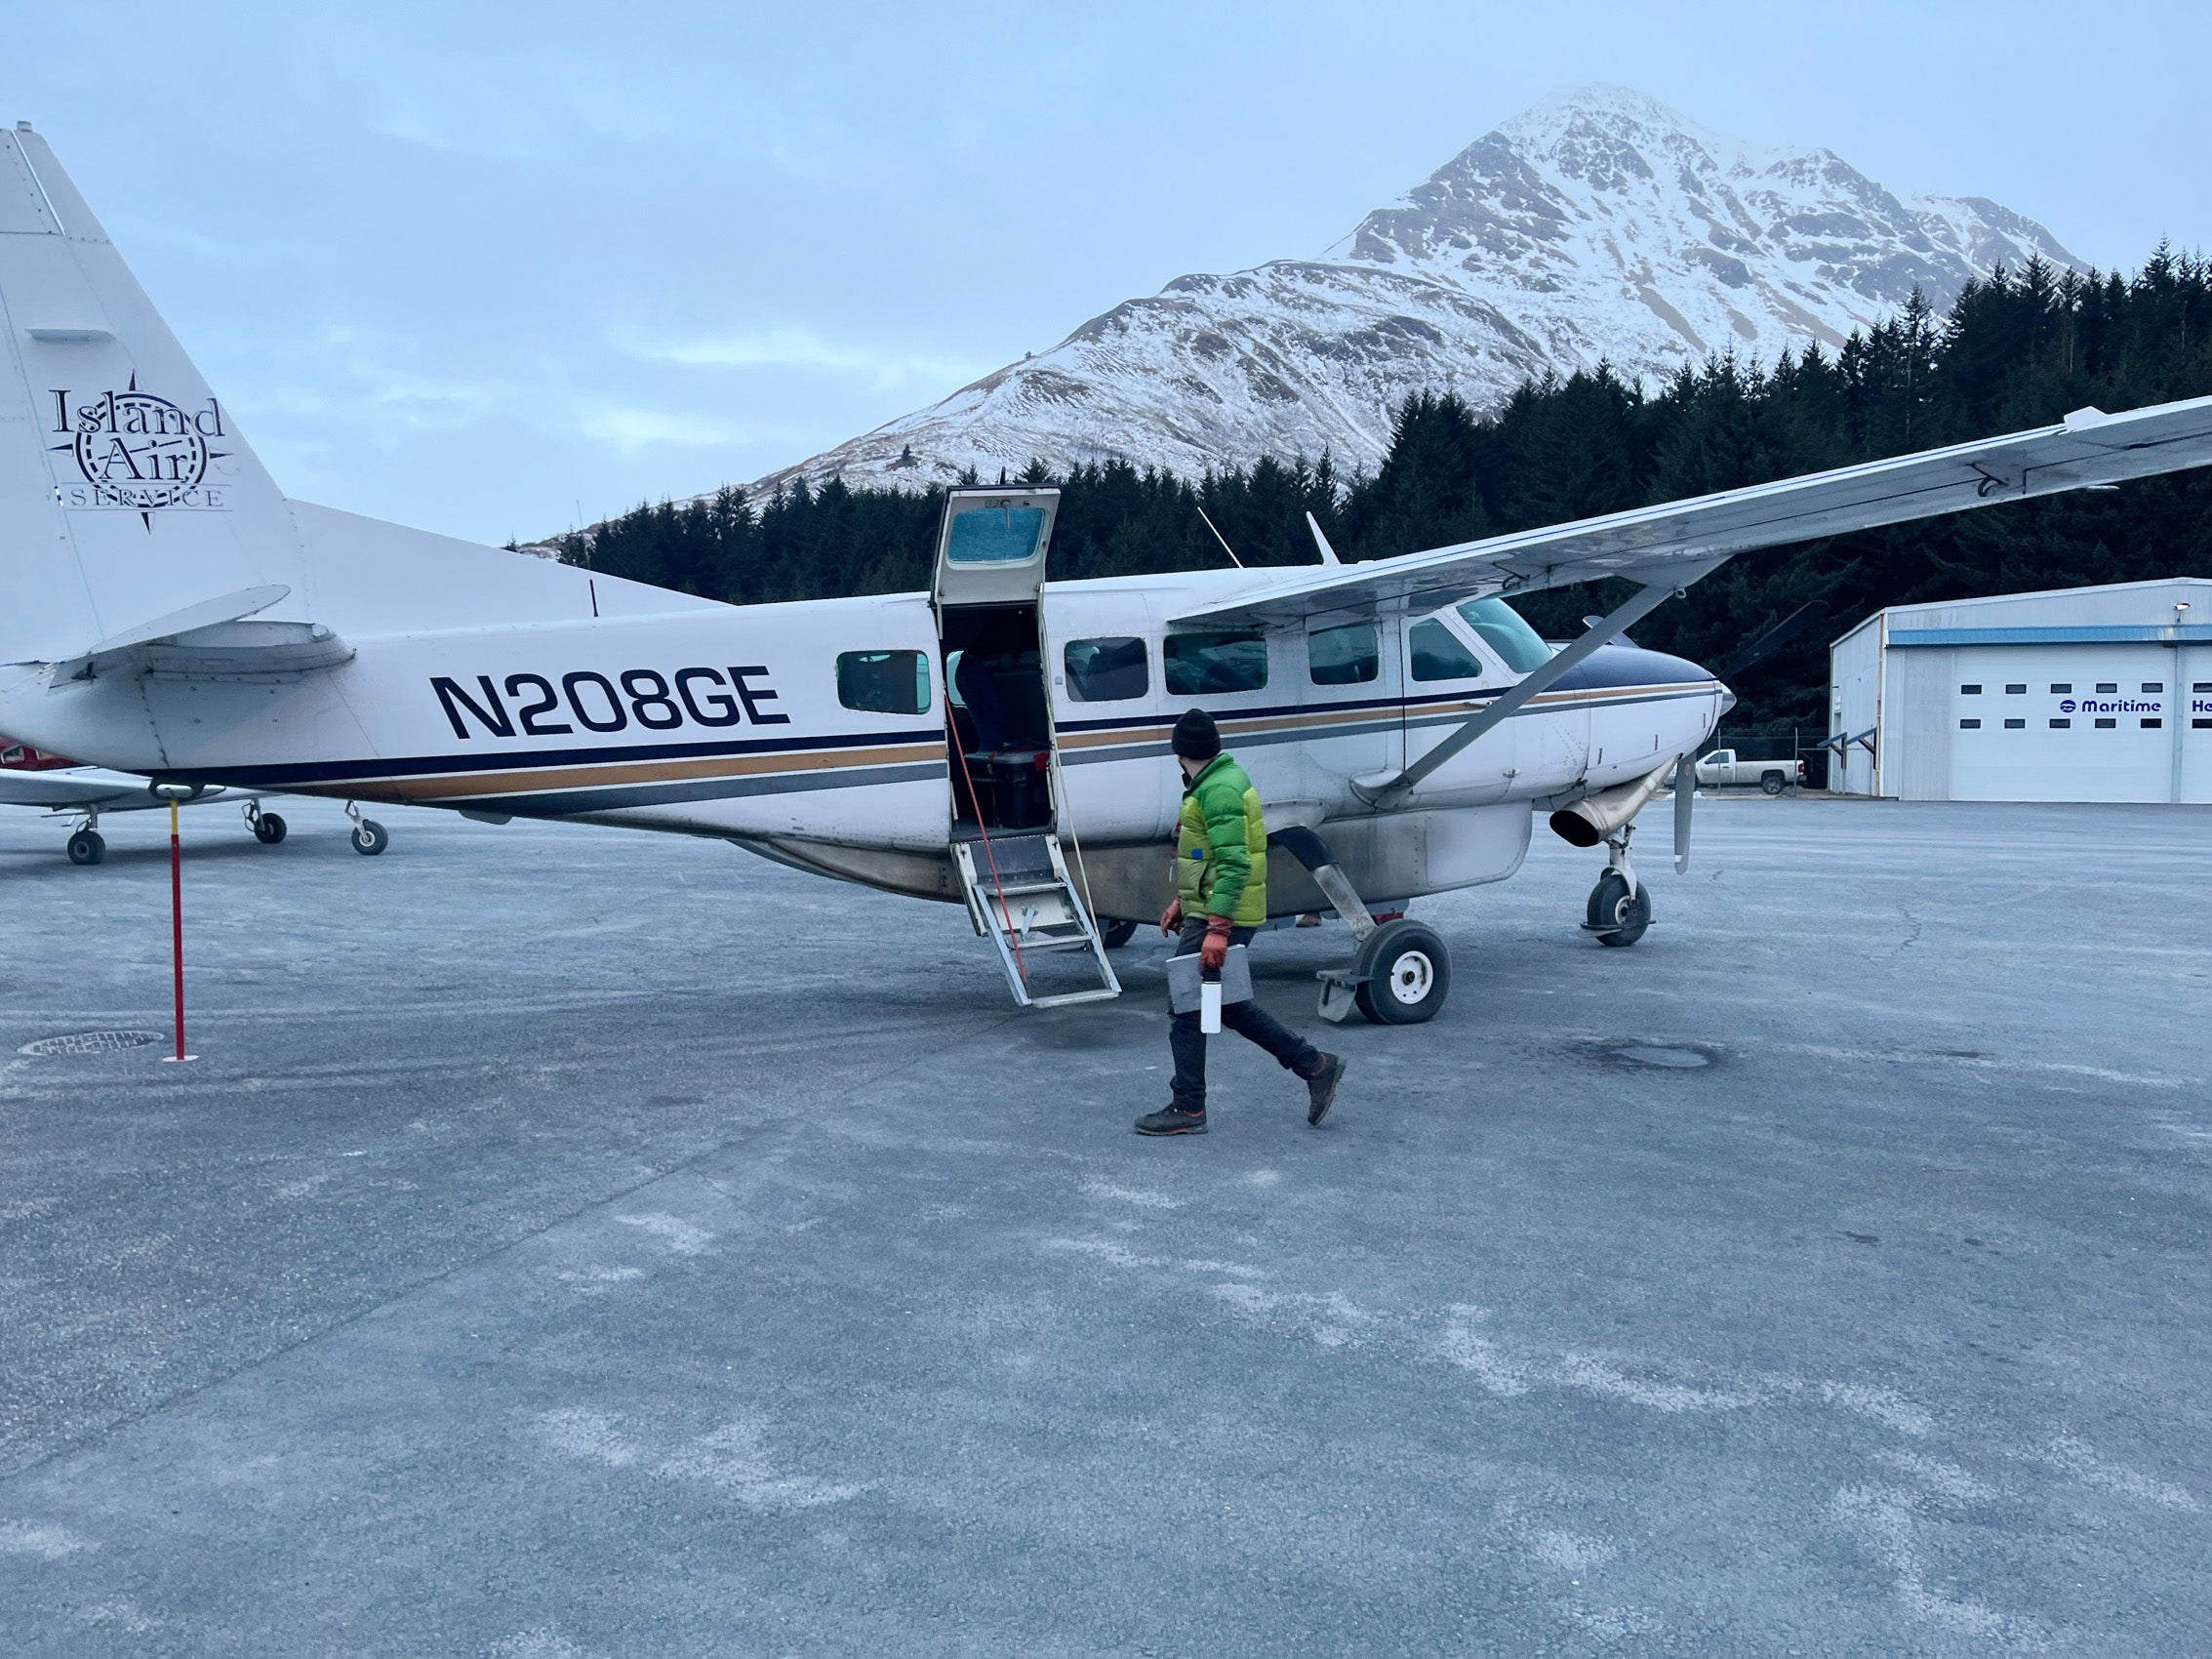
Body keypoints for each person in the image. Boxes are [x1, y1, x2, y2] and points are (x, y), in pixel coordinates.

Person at [1134, 708, 1347, 1137]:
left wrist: (1216, 929)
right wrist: (1183, 900)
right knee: (1222, 1006)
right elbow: (1208, 857)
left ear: (1180, 753)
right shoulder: (1214, 784)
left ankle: (1189, 1108)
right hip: (1212, 907)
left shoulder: (1218, 792)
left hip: (1222, 912)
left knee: (1187, 1005)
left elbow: (1233, 865)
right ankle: (1315, 1065)